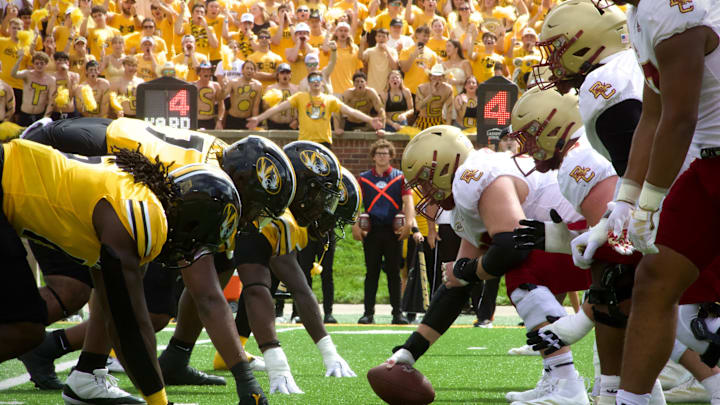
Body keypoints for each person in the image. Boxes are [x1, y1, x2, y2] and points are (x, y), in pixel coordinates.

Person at [16, 120, 294, 404]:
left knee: (116, 271)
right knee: (74, 289)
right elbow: (206, 295)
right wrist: (245, 379)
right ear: (243, 183)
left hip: (87, 154)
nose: (250, 218)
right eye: (256, 207)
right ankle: (36, 343)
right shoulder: (201, 181)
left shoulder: (225, 160)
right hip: (52, 156)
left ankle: (88, 371)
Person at [375, 125, 594, 404]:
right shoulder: (471, 189)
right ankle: (556, 376)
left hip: (588, 236)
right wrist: (408, 352)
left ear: (446, 166)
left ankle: (566, 385)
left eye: (426, 181)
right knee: (517, 269)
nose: (426, 192)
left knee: (520, 271)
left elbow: (511, 247)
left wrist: (468, 270)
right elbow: (457, 285)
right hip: (572, 238)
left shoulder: (473, 176)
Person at [574, 0, 720, 404]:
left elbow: (680, 116)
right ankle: (632, 400)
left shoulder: (673, 7)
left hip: (711, 156)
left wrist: (650, 203)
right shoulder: (642, 14)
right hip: (709, 162)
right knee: (653, 280)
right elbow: (652, 115)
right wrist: (623, 203)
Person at [223, 144, 358, 395]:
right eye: (323, 200)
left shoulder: (283, 215)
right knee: (207, 287)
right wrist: (280, 362)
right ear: (305, 187)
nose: (325, 212)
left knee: (238, 280)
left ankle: (206, 352)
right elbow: (298, 288)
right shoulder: (280, 217)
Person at [352, 139, 415, 325]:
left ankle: (398, 313)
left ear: (391, 156)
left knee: (394, 273)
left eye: (385, 153)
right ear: (373, 156)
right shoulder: (363, 178)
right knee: (371, 273)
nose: (381, 156)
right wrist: (355, 224)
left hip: (392, 231)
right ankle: (368, 313)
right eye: (378, 153)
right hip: (371, 231)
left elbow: (408, 202)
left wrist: (409, 224)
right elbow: (356, 203)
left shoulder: (400, 177)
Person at [247, 71, 383, 146]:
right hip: (305, 141)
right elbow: (277, 108)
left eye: (318, 79)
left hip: (324, 142)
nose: (316, 82)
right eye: (312, 80)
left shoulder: (330, 99)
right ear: (309, 84)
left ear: (322, 83)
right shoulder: (300, 97)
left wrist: (371, 120)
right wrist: (258, 118)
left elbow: (351, 111)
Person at [11, 49, 55, 126]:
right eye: (37, 63)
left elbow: (52, 100)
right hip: (24, 114)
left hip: (39, 115)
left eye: (42, 63)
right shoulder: (27, 74)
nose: (39, 65)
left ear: (46, 64)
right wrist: (20, 59)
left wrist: (46, 117)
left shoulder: (51, 80)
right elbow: (13, 74)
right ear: (33, 64)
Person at [399, 25, 438, 95]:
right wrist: (414, 55)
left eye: (428, 36)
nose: (426, 38)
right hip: (408, 90)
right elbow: (404, 69)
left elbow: (434, 75)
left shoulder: (432, 54)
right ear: (417, 34)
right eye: (424, 35)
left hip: (424, 91)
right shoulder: (406, 51)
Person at [225, 60, 263, 129]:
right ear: (242, 70)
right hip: (232, 119)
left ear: (254, 72)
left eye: (252, 69)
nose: (249, 70)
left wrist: (254, 123)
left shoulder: (258, 85)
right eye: (247, 68)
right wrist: (223, 88)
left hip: (247, 119)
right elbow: (222, 96)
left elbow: (256, 106)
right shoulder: (233, 82)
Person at [414, 64, 453, 129]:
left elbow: (449, 110)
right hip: (423, 121)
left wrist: (447, 127)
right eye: (434, 76)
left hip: (438, 121)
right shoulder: (421, 88)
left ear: (443, 77)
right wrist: (431, 95)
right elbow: (418, 107)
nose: (437, 79)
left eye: (439, 76)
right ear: (430, 76)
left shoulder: (448, 89)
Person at [362, 28, 399, 94]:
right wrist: (362, 43)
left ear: (388, 38)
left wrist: (387, 51)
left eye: (383, 36)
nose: (381, 38)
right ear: (375, 38)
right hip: (372, 88)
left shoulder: (393, 51)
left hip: (387, 89)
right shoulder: (369, 51)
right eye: (379, 36)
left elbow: (395, 67)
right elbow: (362, 59)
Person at [262, 63, 298, 130]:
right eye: (282, 73)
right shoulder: (271, 89)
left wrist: (297, 121)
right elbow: (264, 108)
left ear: (291, 75)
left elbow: (301, 108)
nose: (285, 75)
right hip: (274, 125)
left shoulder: (296, 89)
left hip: (292, 125)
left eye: (287, 73)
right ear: (277, 75)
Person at [50, 51, 81, 120]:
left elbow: (71, 95)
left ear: (68, 63)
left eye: (65, 60)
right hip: (56, 112)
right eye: (60, 60)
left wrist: (67, 76)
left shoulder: (75, 76)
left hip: (70, 111)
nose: (62, 62)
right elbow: (52, 95)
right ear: (55, 62)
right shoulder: (51, 76)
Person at [194, 61, 225, 129]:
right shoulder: (193, 86)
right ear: (199, 72)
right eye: (203, 70)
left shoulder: (216, 86)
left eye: (208, 70)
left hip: (210, 121)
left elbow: (221, 105)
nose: (206, 72)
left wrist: (219, 121)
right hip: (196, 120)